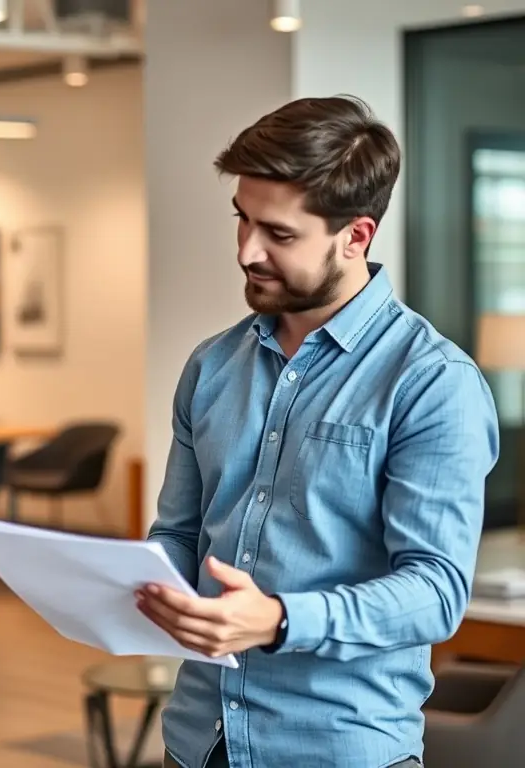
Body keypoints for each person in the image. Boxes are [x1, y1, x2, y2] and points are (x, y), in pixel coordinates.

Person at [139, 96, 499, 768]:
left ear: (355, 236)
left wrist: (278, 619)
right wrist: (133, 586)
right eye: (241, 221)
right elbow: (180, 534)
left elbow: (435, 592)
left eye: (278, 234)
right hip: (197, 741)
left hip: (337, 749)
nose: (247, 251)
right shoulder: (211, 365)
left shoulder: (431, 382)